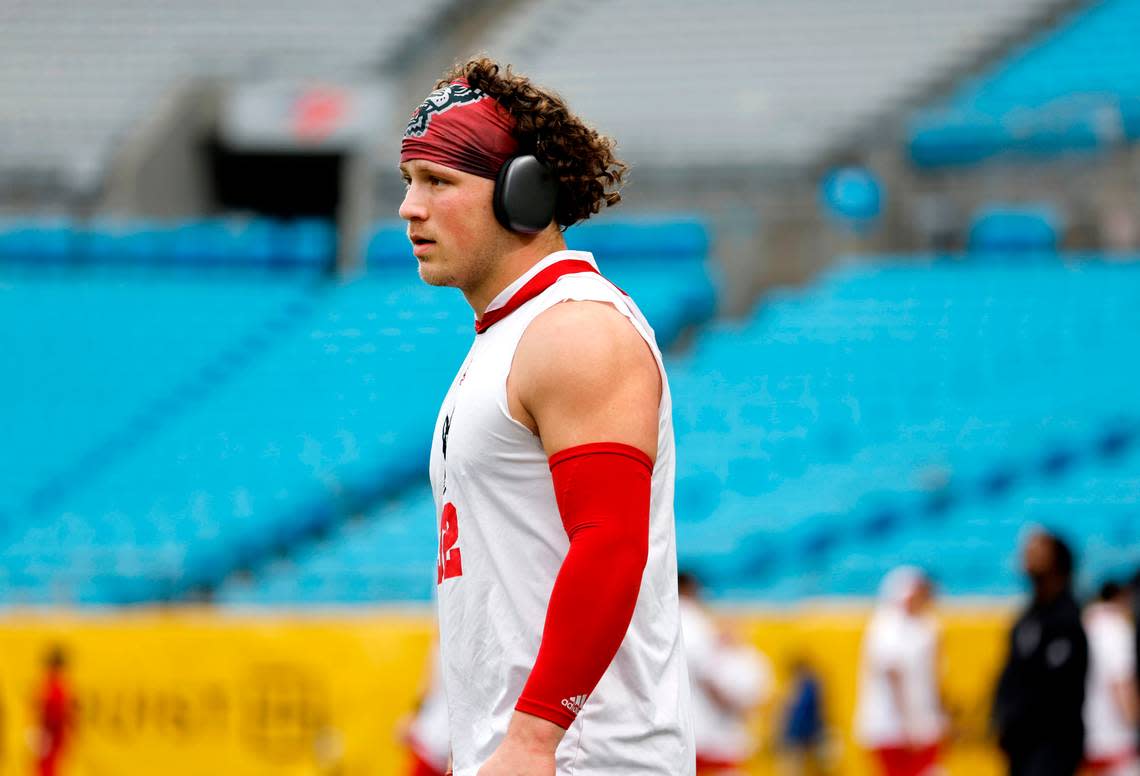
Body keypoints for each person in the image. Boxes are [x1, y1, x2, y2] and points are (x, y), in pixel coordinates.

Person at [400, 57, 694, 775]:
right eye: (407, 183)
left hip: (586, 761)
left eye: (438, 182)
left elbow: (610, 544)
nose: (410, 207)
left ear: (522, 194)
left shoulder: (577, 331)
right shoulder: (511, 336)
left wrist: (534, 738)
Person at [993, 529, 1088, 776]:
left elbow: (1056, 687)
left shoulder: (1069, 618)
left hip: (1053, 743)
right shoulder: (1027, 617)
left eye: (1036, 550)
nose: (1027, 556)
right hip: (1021, 743)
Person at [853, 566, 946, 776]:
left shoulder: (925, 626)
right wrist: (909, 724)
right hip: (894, 728)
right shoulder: (887, 626)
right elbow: (893, 675)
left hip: (918, 725)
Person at [678, 572, 773, 774]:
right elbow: (708, 677)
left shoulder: (745, 656)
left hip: (692, 734)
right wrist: (729, 702)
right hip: (708, 735)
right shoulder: (692, 621)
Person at [1083, 581, 1139, 776]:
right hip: (1114, 738)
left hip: (1085, 736)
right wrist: (1134, 719)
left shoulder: (1085, 622)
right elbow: (1121, 682)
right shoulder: (1116, 627)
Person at [779, 658, 827, 776]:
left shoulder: (808, 686)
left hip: (803, 733)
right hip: (801, 733)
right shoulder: (803, 686)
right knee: (794, 767)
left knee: (798, 767)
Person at [35, 645, 73, 776]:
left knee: (47, 768)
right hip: (50, 735)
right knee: (45, 767)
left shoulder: (56, 688)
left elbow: (55, 716)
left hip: (51, 735)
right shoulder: (52, 686)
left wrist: (45, 734)